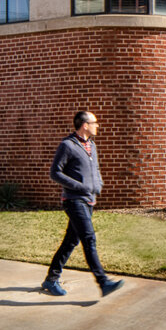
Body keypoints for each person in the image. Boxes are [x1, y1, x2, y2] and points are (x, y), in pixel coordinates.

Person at [41, 110, 125, 298]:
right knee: (89, 238)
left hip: (88, 200)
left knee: (71, 240)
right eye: (94, 122)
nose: (98, 125)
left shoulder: (91, 145)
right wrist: (80, 186)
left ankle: (51, 279)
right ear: (85, 125)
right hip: (73, 200)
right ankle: (103, 282)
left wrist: (98, 185)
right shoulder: (67, 145)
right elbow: (55, 172)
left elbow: (95, 168)